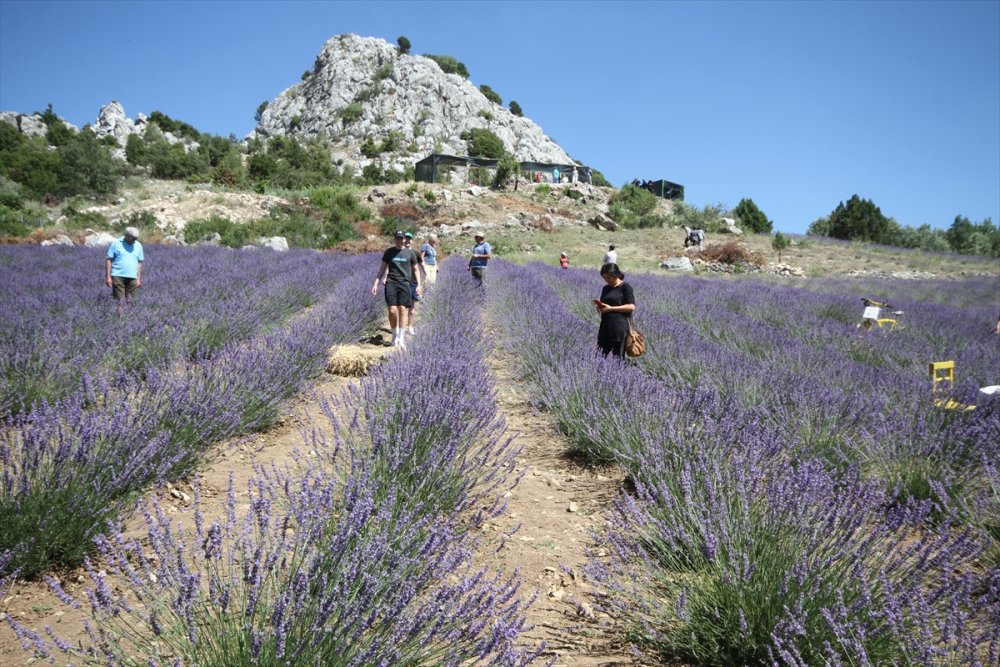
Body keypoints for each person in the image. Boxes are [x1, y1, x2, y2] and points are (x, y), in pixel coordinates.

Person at [371, 230, 422, 348]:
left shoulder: (410, 254)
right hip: (391, 283)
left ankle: (401, 337)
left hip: (405, 284)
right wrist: (376, 283)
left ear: (404, 239)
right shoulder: (389, 252)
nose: (399, 240)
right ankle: (394, 335)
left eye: (401, 238)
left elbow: (416, 270)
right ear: (394, 239)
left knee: (403, 310)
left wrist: (419, 285)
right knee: (392, 311)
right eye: (397, 238)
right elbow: (382, 269)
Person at [595, 263, 636, 358]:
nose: (606, 280)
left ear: (616, 275)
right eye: (604, 278)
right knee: (599, 355)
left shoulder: (625, 287)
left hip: (619, 328)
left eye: (609, 277)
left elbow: (631, 307)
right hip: (605, 326)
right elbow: (605, 303)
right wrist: (600, 307)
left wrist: (611, 308)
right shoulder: (605, 288)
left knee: (618, 357)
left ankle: (620, 372)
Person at [105, 226, 144, 306]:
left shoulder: (138, 245)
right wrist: (108, 277)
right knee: (120, 301)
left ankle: (129, 318)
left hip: (133, 277)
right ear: (127, 236)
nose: (134, 240)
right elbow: (109, 260)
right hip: (118, 276)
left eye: (136, 238)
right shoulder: (116, 243)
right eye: (133, 238)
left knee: (131, 302)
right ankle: (121, 318)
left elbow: (139, 263)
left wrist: (138, 279)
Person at [403, 233, 424, 335]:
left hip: (413, 283)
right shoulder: (399, 252)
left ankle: (410, 326)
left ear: (412, 241)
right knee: (401, 307)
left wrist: (427, 274)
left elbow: (421, 263)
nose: (407, 241)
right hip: (402, 283)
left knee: (411, 307)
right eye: (405, 239)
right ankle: (400, 327)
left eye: (409, 239)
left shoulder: (416, 253)